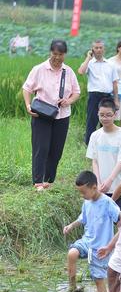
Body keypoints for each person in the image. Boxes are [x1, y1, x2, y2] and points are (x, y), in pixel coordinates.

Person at [22, 39, 81, 191]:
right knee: (41, 148)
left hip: (62, 116)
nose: (57, 57)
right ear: (50, 52)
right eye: (54, 54)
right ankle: (37, 182)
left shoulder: (68, 72)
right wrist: (28, 105)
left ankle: (49, 180)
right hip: (41, 115)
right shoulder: (39, 69)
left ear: (65, 54)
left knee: (56, 150)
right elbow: (27, 88)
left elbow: (77, 92)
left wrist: (68, 101)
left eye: (60, 54)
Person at [63, 171, 121, 292]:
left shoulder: (107, 203)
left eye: (83, 192)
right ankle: (72, 287)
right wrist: (71, 225)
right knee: (72, 254)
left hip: (100, 247)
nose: (82, 195)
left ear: (94, 188)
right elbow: (83, 218)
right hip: (87, 241)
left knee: (98, 281)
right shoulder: (87, 202)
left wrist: (114, 244)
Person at [86, 97, 121, 215]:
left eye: (108, 115)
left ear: (115, 115)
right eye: (102, 115)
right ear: (97, 114)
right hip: (102, 189)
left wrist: (110, 181)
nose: (105, 118)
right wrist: (97, 182)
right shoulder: (95, 135)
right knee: (103, 224)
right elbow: (94, 161)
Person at [78, 39, 120, 145]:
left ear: (104, 49)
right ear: (92, 49)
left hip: (107, 96)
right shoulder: (89, 63)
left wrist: (116, 100)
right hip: (94, 96)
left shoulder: (110, 64)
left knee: (108, 121)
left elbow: (115, 83)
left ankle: (107, 143)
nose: (98, 50)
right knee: (91, 121)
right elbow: (81, 72)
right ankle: (89, 144)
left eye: (100, 47)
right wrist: (88, 57)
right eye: (96, 48)